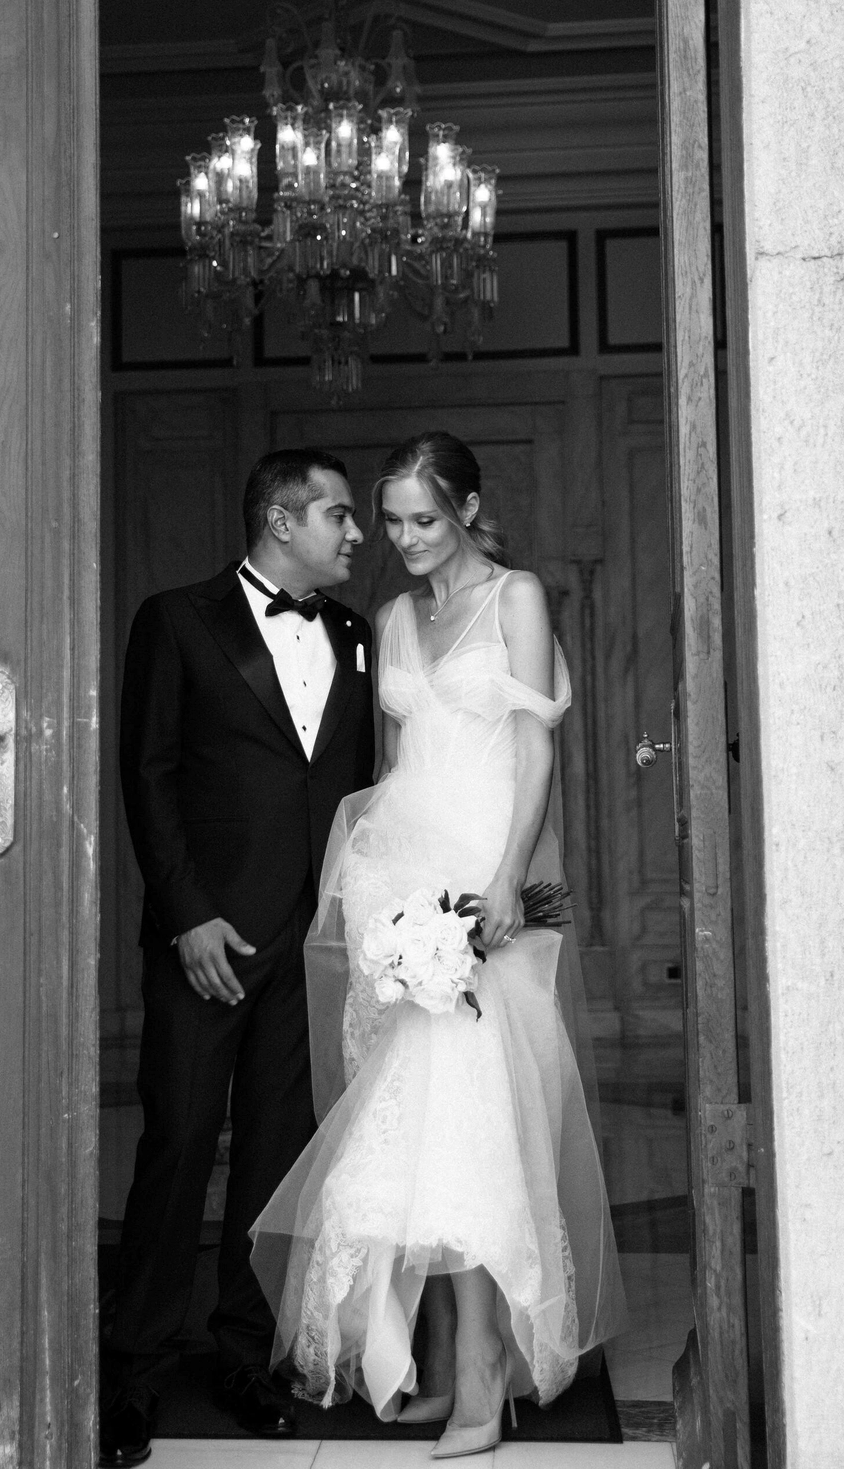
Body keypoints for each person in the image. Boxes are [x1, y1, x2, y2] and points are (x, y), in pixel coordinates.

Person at [251, 430, 626, 1460]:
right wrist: (378, 898)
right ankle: (461, 1369)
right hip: (406, 886)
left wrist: (505, 878)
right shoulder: (391, 619)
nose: (405, 538)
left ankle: (481, 1372)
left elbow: (535, 750)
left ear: (466, 508)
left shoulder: (517, 598)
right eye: (392, 521)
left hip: (481, 886)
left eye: (424, 518)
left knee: (473, 1129)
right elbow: (390, 768)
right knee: (421, 1135)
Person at [102, 448, 376, 1466]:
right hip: (208, 939)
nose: (356, 534)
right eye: (339, 514)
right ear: (280, 519)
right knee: (178, 1146)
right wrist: (187, 916)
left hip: (312, 938)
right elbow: (148, 772)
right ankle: (133, 1370)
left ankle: (244, 1358)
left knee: (275, 1152)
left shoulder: (355, 635)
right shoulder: (176, 620)